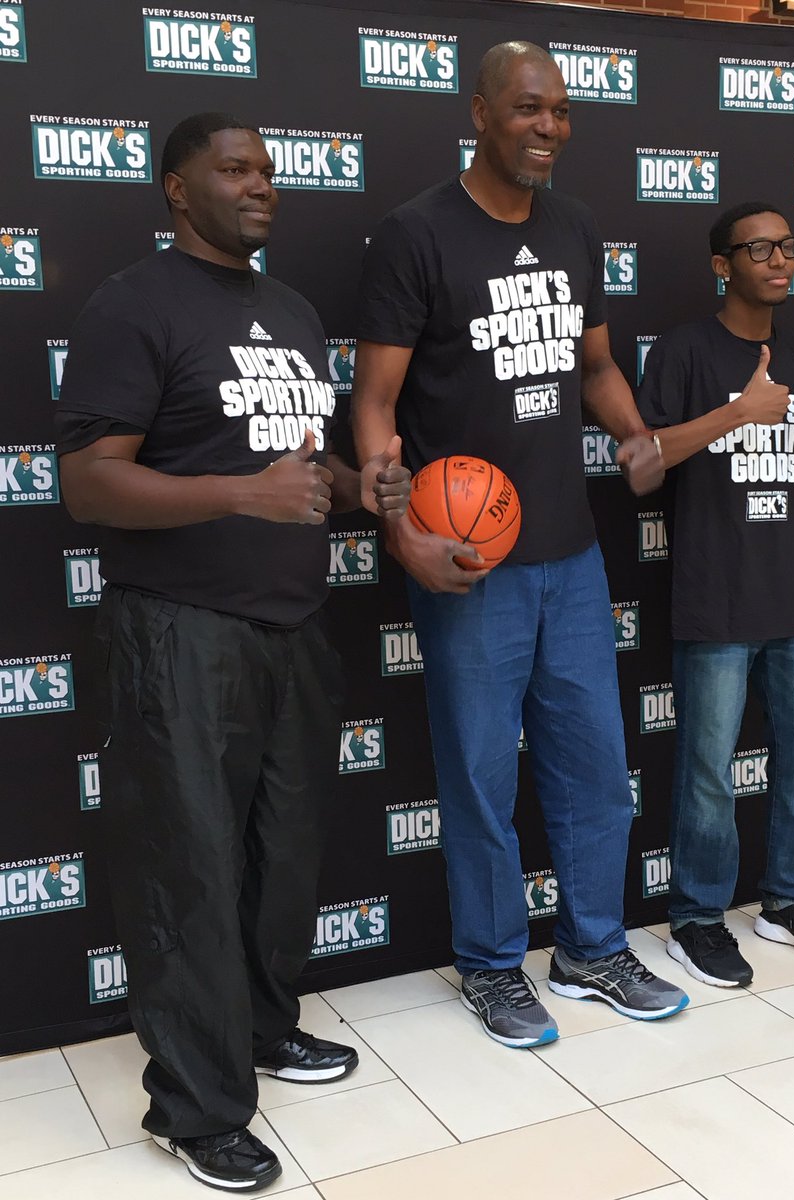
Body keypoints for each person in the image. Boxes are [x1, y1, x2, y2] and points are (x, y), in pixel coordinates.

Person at [55, 112, 410, 1194]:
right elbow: (87, 481)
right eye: (236, 169)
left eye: (270, 170)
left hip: (292, 628)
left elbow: (311, 463)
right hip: (179, 629)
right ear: (176, 188)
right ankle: (194, 1107)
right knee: (192, 873)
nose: (263, 185)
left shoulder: (293, 310)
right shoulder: (133, 305)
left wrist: (363, 488)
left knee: (282, 858)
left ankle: (261, 1028)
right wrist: (241, 493)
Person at [351, 42, 689, 1050]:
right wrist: (403, 534)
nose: (549, 128)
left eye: (562, 111)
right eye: (529, 109)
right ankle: (494, 964)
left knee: (594, 764)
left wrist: (631, 432)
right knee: (481, 775)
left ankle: (590, 947)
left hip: (572, 555)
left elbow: (592, 366)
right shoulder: (417, 235)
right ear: (482, 113)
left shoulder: (577, 229)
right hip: (470, 564)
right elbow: (373, 404)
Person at [637, 200, 794, 988]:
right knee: (708, 768)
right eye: (759, 247)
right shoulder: (683, 352)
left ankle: (787, 902)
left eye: (788, 246)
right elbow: (645, 460)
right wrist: (740, 412)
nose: (779, 259)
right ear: (721, 264)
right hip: (718, 600)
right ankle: (697, 919)